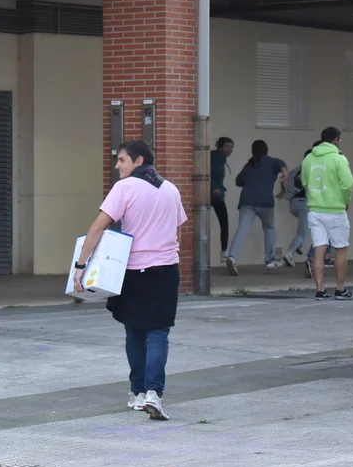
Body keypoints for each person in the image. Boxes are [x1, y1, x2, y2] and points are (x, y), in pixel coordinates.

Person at [73, 140, 186, 421]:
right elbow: (178, 231)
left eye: (122, 160)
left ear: (138, 161)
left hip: (133, 271)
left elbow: (98, 227)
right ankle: (153, 394)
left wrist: (81, 265)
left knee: (135, 332)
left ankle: (138, 393)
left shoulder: (124, 188)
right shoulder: (171, 189)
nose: (117, 166)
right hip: (166, 270)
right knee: (158, 333)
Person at [302, 127, 353, 300]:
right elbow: (349, 184)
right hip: (335, 210)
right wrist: (345, 201)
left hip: (314, 210)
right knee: (340, 249)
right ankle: (340, 289)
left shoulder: (309, 158)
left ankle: (320, 290)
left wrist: (316, 196)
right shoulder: (339, 158)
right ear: (336, 140)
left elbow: (305, 183)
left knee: (319, 248)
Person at [225, 140, 287, 275]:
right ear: (266, 150)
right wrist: (284, 177)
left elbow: (238, 181)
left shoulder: (249, 164)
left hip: (247, 201)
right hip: (265, 202)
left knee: (242, 230)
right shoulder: (272, 162)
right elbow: (282, 165)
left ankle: (232, 257)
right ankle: (270, 260)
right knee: (269, 228)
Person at [281, 141, 318, 268]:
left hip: (293, 204)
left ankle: (299, 245)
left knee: (309, 225)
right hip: (304, 204)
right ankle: (289, 253)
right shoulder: (311, 171)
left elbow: (286, 181)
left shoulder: (295, 170)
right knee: (302, 232)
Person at [211, 137, 234, 263]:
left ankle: (224, 251)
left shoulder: (217, 157)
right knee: (224, 223)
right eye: (226, 146)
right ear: (220, 147)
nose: (229, 149)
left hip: (216, 193)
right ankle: (224, 251)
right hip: (215, 195)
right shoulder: (218, 158)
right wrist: (214, 187)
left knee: (223, 222)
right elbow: (208, 173)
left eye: (231, 147)